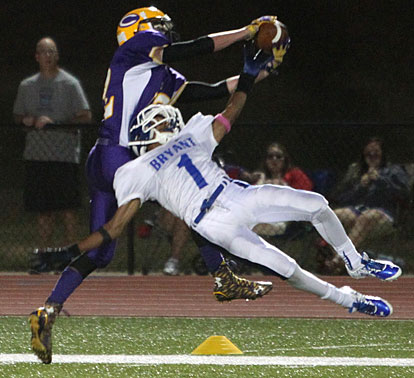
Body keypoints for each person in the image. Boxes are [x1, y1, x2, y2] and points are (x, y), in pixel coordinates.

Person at [30, 43, 400, 364]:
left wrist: (248, 75)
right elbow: (114, 229)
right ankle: (349, 300)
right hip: (213, 225)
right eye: (157, 120)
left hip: (236, 196)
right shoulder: (135, 170)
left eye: (165, 117)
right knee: (288, 269)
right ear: (143, 134)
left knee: (317, 204)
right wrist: (70, 250)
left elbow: (230, 112)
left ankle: (355, 261)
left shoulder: (190, 133)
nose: (165, 122)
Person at [13, 37, 92, 247]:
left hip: (64, 155)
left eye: (51, 52)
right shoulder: (27, 86)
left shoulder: (70, 84)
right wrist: (26, 120)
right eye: (43, 52)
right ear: (36, 56)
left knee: (67, 208)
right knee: (43, 210)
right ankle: (45, 255)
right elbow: (17, 117)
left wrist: (56, 123)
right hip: (36, 155)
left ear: (57, 56)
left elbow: (85, 116)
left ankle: (69, 254)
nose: (47, 56)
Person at [253, 141, 314, 237]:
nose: (274, 160)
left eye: (278, 156)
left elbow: (305, 193)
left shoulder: (295, 174)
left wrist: (284, 187)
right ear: (265, 160)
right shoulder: (261, 176)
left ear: (284, 160)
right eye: (270, 156)